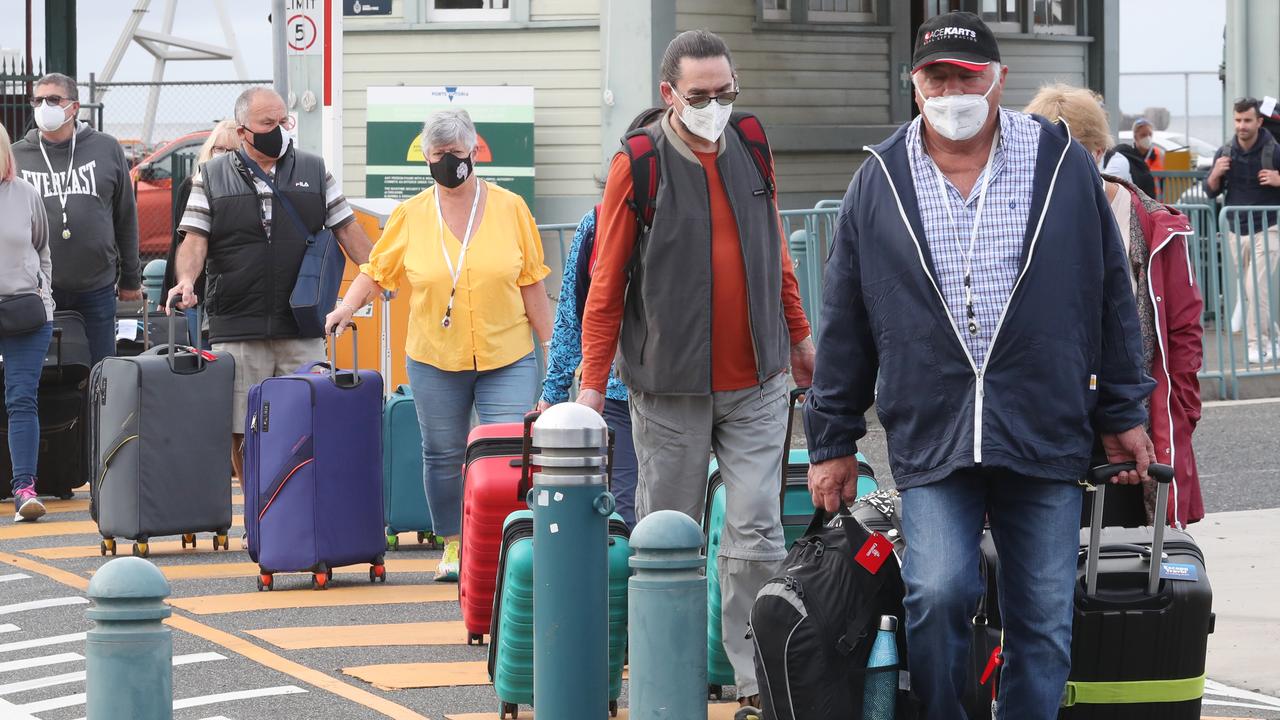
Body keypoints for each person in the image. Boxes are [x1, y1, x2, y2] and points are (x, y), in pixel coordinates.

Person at [803, 13, 1154, 720]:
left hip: (1042, 425)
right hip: (935, 432)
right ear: (914, 85)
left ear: (998, 81)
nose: (951, 90)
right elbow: (845, 318)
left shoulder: (1059, 163)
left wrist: (1123, 412)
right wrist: (832, 440)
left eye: (965, 76)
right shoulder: (880, 178)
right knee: (937, 593)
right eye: (937, 77)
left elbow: (1110, 295)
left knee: (1045, 619)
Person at [575, 30, 814, 711]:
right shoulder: (640, 163)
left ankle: (756, 679)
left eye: (726, 92)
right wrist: (593, 386)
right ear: (669, 95)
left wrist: (799, 337)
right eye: (701, 95)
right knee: (669, 531)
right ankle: (661, 671)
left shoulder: (753, 143)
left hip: (758, 381)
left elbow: (775, 252)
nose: (716, 105)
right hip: (670, 386)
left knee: (758, 530)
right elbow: (607, 281)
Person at [326, 108, 553, 582]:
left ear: (474, 151)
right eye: (437, 154)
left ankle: (505, 544)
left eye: (456, 152)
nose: (448, 161)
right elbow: (376, 271)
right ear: (425, 158)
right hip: (434, 356)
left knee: (507, 449)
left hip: (506, 352)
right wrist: (346, 308)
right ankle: (452, 543)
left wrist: (555, 347)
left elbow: (532, 283)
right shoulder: (411, 215)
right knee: (444, 453)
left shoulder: (511, 209)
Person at [167, 87, 373, 506]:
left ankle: (306, 507)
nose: (278, 130)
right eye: (267, 124)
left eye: (284, 121)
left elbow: (349, 230)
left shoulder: (315, 171)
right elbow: (193, 239)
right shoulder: (212, 175)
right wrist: (186, 280)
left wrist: (378, 271)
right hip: (236, 322)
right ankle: (258, 512)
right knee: (244, 425)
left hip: (301, 322)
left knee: (312, 417)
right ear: (243, 130)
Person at [1026, 83, 1205, 528]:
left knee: (1130, 559)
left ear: (1100, 151)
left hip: (1135, 416)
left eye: (1073, 154)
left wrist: (1179, 406)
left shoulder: (1151, 224)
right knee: (1046, 553)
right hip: (1047, 417)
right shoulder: (1021, 217)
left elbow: (1183, 329)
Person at [535, 108, 664, 529]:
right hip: (615, 395)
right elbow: (575, 313)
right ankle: (627, 595)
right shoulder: (598, 223)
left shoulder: (701, 221)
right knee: (623, 512)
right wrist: (553, 394)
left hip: (685, 396)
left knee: (673, 511)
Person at [11, 72, 141, 367]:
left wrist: (131, 278)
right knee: (43, 372)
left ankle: (95, 416)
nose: (45, 106)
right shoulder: (18, 155)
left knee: (102, 371)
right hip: (37, 290)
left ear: (74, 107)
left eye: (54, 99)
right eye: (38, 100)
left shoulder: (106, 148)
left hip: (96, 285)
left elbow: (125, 217)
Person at [0, 122, 54, 522]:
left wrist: (44, 295)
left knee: (21, 398)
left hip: (24, 310)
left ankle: (24, 489)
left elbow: (42, 248)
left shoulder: (26, 195)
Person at [1206, 97, 1280, 364]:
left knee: (1254, 285)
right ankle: (1274, 336)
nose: (1242, 126)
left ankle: (1257, 345)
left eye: (1247, 120)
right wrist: (1215, 173)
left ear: (1259, 122)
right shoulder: (1226, 151)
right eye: (1238, 120)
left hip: (1269, 227)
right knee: (1252, 291)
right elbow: (1210, 189)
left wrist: (1277, 179)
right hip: (1237, 230)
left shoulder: (1274, 150)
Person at [164, 119, 240, 350]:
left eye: (232, 150)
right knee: (202, 352)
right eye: (219, 148)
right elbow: (180, 239)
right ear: (210, 149)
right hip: (198, 287)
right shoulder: (191, 186)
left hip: (232, 286)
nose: (224, 154)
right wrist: (168, 288)